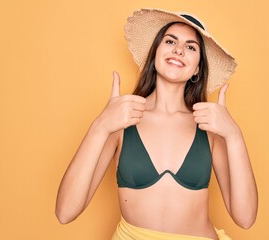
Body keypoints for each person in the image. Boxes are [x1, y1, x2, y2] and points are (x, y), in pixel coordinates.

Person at [55, 8, 258, 240]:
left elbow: (246, 218)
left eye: (191, 47)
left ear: (198, 68)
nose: (179, 50)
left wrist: (234, 135)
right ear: (155, 54)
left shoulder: (210, 127)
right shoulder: (121, 120)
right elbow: (65, 212)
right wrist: (100, 126)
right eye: (170, 41)